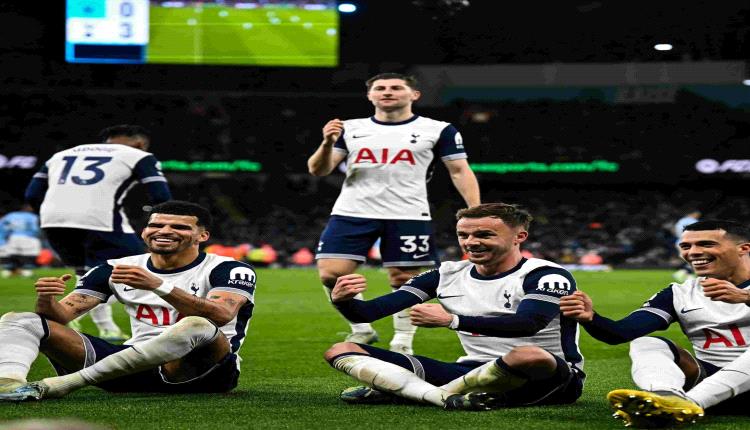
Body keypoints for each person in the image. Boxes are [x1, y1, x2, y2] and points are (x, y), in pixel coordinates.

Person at [323, 203, 584, 410]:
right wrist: (344, 301)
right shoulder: (446, 274)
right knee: (342, 349)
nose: (471, 242)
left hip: (548, 376)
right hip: (470, 370)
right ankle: (443, 397)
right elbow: (367, 313)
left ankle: (410, 391)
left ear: (520, 236)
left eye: (484, 234)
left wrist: (453, 320)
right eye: (463, 235)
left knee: (528, 355)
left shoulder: (546, 275)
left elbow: (529, 324)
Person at [0, 200, 256, 401]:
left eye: (179, 227)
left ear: (203, 236)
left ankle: (66, 384)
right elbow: (59, 319)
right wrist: (47, 300)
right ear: (144, 232)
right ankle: (8, 384)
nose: (164, 231)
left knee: (197, 325)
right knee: (21, 320)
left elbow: (221, 314)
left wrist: (159, 285)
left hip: (199, 372)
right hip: (129, 369)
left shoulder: (229, 269)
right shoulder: (114, 268)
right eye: (156, 225)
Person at [308, 72, 481, 354]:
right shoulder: (350, 128)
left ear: (414, 95)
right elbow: (319, 169)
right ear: (370, 95)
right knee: (331, 274)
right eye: (380, 88)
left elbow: (460, 170)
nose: (387, 92)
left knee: (404, 279)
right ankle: (362, 328)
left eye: (396, 87)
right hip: (352, 211)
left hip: (408, 213)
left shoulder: (438, 129)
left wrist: (474, 210)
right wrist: (327, 142)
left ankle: (402, 342)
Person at [560, 219, 750, 428]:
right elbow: (620, 333)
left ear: (743, 248)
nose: (693, 252)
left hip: (721, 394)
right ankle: (666, 397)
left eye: (706, 244)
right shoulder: (679, 293)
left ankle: (687, 404)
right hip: (709, 386)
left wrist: (746, 297)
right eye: (686, 246)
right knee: (647, 343)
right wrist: (591, 318)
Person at [24, 124, 173, 341]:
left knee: (87, 274)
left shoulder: (61, 155)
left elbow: (32, 194)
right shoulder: (139, 155)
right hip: (101, 221)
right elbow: (160, 195)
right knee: (138, 268)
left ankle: (105, 327)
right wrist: (162, 224)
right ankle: (68, 312)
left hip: (53, 221)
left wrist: (55, 215)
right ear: (141, 143)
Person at [0, 203, 41, 278]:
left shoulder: (10, 215)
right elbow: (35, 228)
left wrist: (4, 238)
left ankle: (10, 271)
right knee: (28, 255)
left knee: (13, 254)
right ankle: (26, 271)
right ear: (26, 208)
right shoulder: (32, 216)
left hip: (13, 237)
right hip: (28, 237)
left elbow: (2, 227)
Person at [672, 210, 701, 283]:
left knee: (692, 259)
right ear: (693, 213)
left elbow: (675, 232)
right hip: (690, 243)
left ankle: (686, 275)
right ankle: (683, 273)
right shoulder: (694, 221)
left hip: (680, 242)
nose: (698, 215)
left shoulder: (681, 221)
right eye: (697, 214)